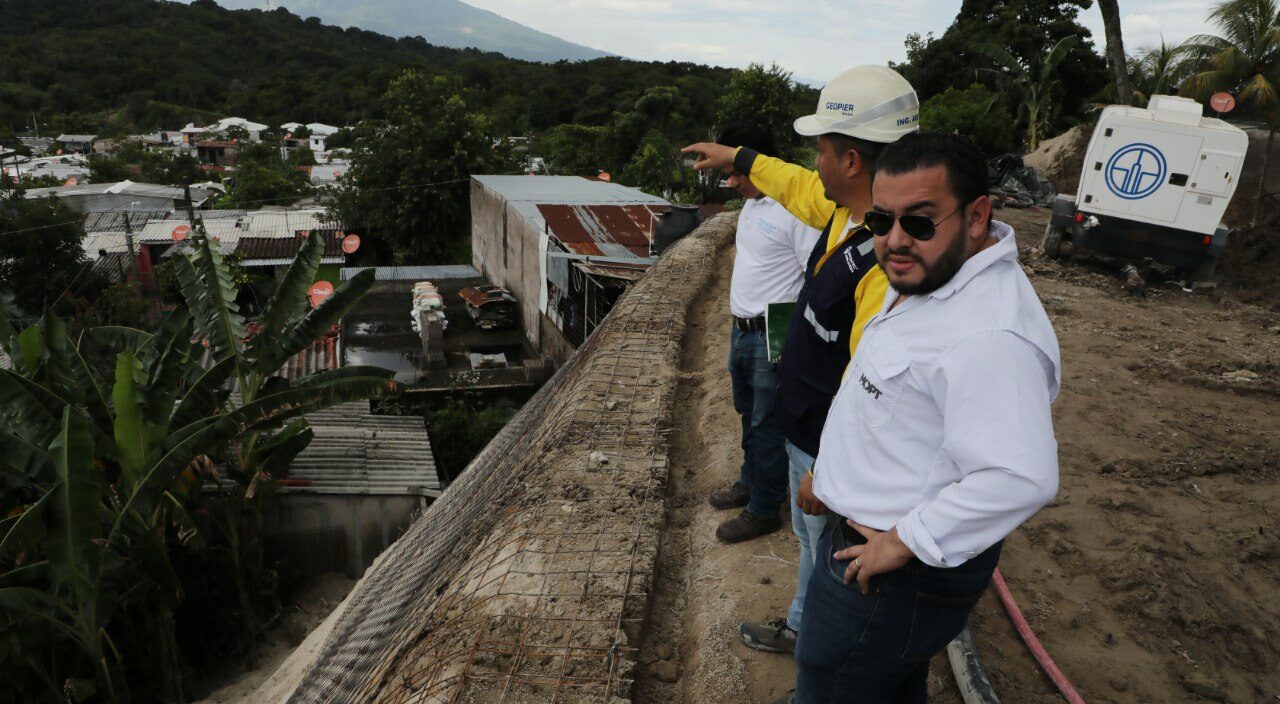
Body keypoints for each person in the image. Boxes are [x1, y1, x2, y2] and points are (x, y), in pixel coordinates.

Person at [793, 131, 1061, 703]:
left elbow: (1020, 476)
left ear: (977, 215)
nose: (893, 241)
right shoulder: (939, 277)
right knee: (890, 682)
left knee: (835, 682)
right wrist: (831, 472)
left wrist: (902, 541)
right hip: (879, 551)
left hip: (887, 575)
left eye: (918, 221)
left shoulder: (988, 336)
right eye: (879, 221)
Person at [684, 65, 917, 655]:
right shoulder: (847, 213)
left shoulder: (888, 259)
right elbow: (791, 183)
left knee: (825, 551)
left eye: (822, 151)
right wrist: (740, 154)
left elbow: (871, 383)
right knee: (813, 547)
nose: (814, 163)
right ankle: (804, 628)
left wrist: (827, 466)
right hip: (811, 430)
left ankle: (820, 653)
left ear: (852, 161)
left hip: (829, 447)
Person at [708, 124, 822, 545]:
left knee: (767, 422)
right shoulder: (753, 206)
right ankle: (750, 480)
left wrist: (791, 340)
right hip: (742, 330)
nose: (732, 181)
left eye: (738, 172)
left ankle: (764, 507)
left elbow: (813, 275)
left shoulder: (795, 211)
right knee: (747, 414)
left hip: (772, 331)